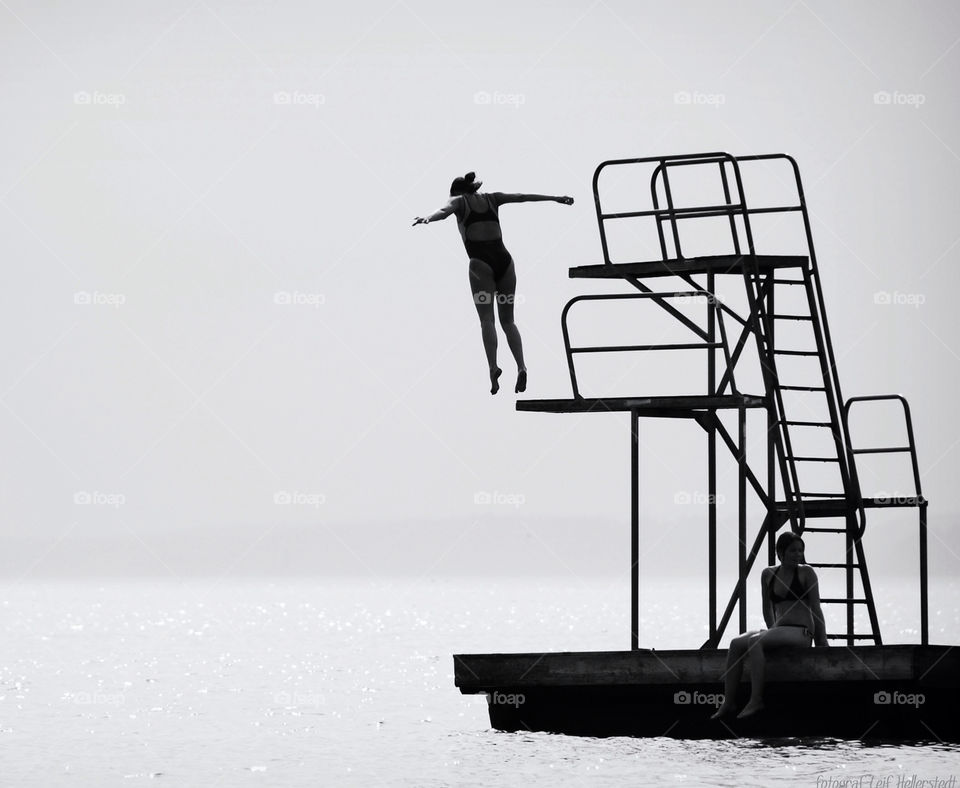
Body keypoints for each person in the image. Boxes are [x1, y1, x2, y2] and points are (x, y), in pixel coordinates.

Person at [413, 172, 574, 395]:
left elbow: (443, 211)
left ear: (456, 191)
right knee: (508, 321)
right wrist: (555, 198)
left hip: (481, 265)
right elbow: (521, 196)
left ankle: (493, 368)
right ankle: (521, 366)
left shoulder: (458, 201)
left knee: (487, 320)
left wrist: (428, 218)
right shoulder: (492, 198)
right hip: (505, 263)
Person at [711, 531, 829, 720]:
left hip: (802, 633)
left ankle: (756, 700)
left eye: (800, 551)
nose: (798, 555)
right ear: (780, 552)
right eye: (793, 551)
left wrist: (822, 641)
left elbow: (816, 607)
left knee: (756, 642)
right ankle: (729, 702)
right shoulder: (768, 574)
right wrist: (772, 632)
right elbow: (767, 608)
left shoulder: (806, 572)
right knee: (735, 643)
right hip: (780, 630)